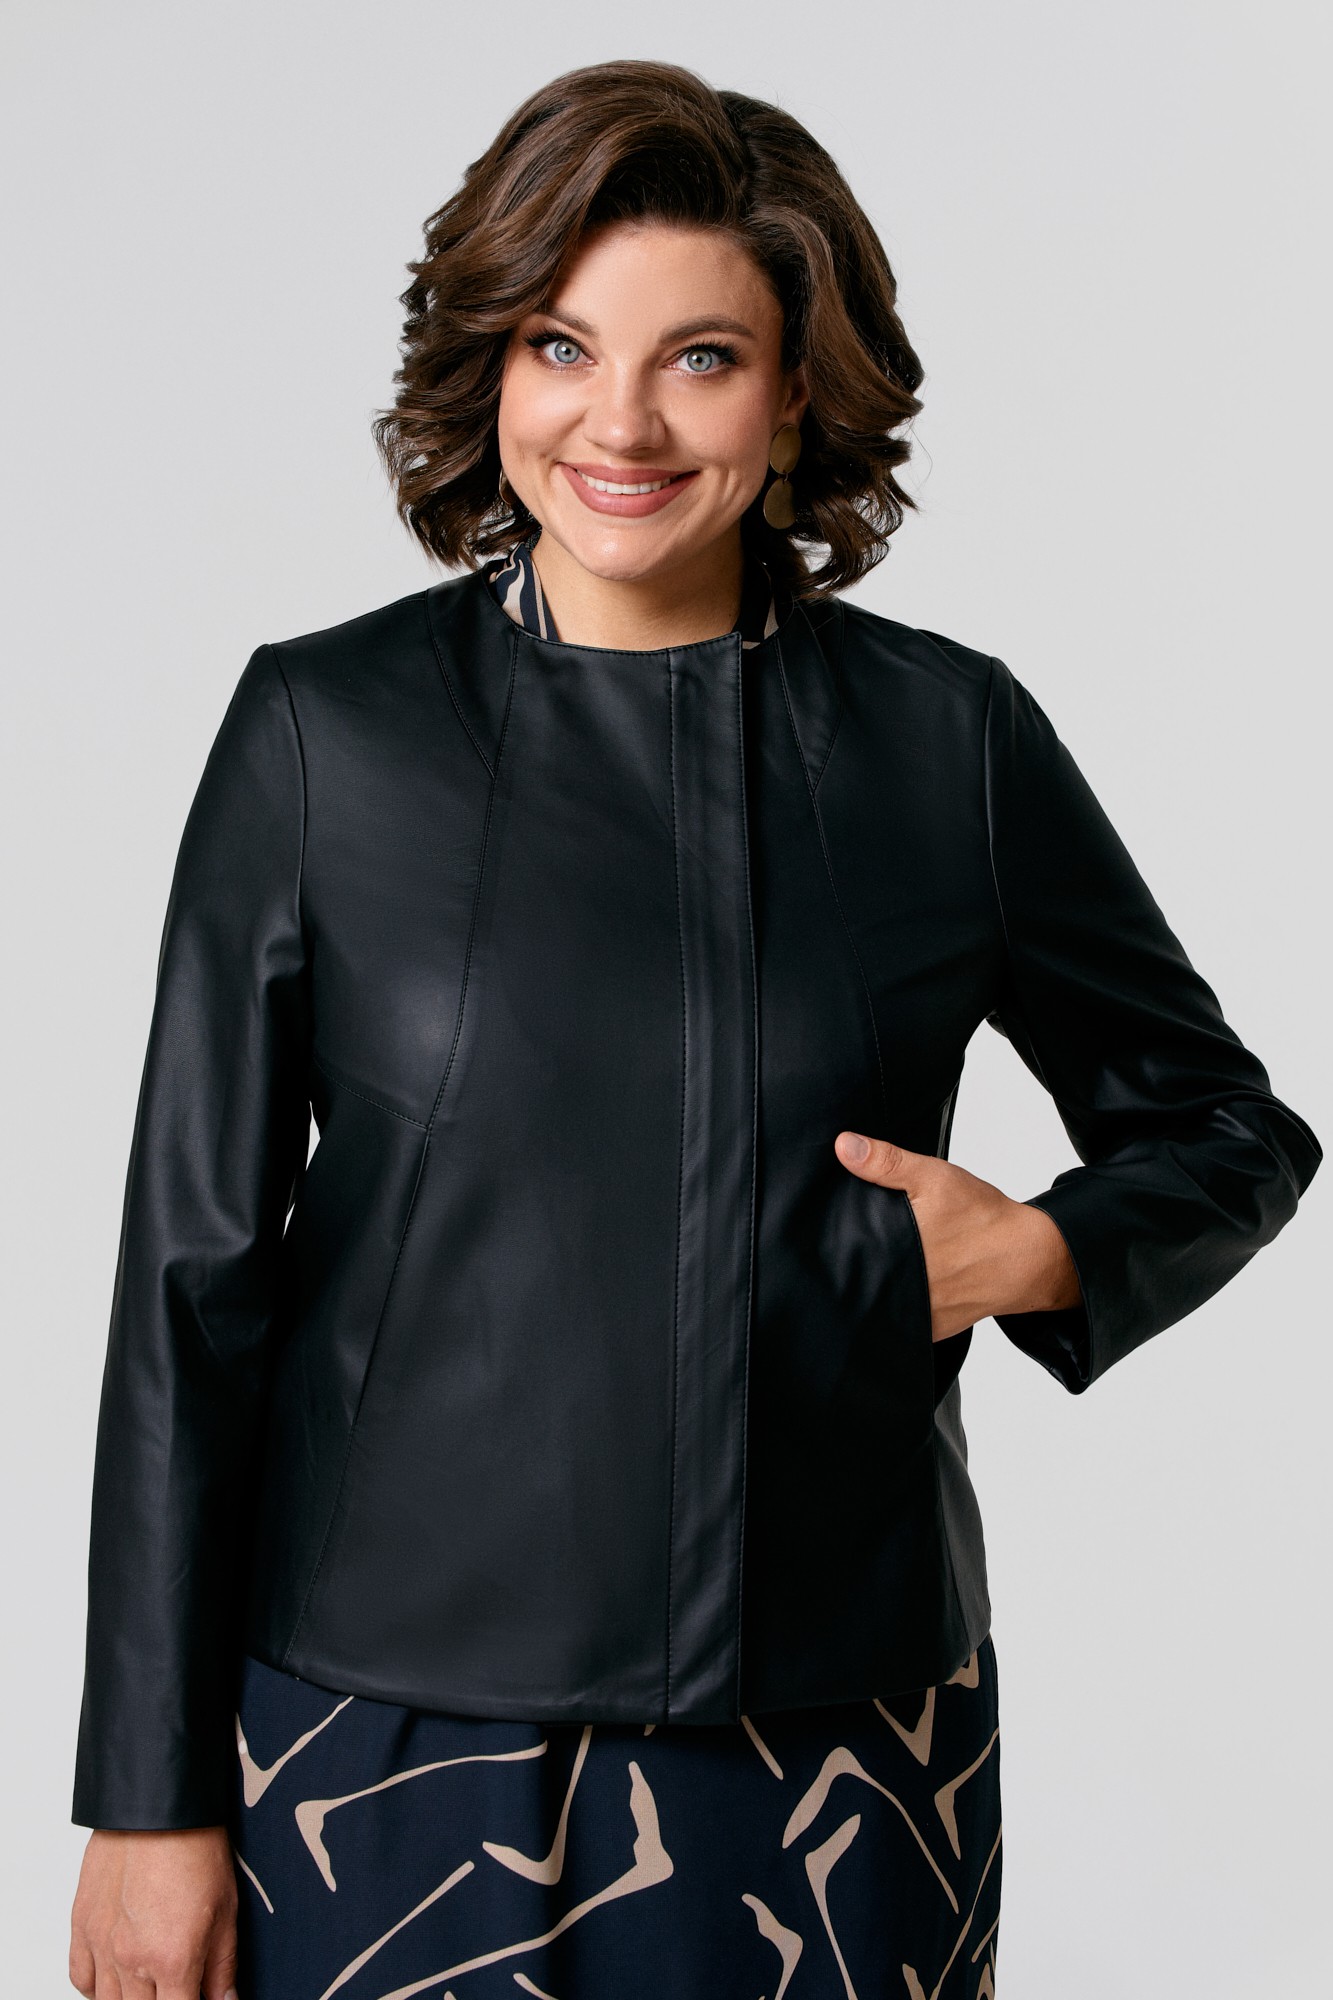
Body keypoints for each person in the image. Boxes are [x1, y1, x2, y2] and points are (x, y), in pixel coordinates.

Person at [67, 57, 1320, 2000]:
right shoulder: (323, 735)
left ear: (798, 389)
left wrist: (1046, 1249)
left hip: (839, 1738)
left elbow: (1227, 1128)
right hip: (382, 1742)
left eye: (703, 358)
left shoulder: (946, 743)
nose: (621, 423)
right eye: (562, 346)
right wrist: (146, 1802)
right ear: (493, 365)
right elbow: (189, 1290)